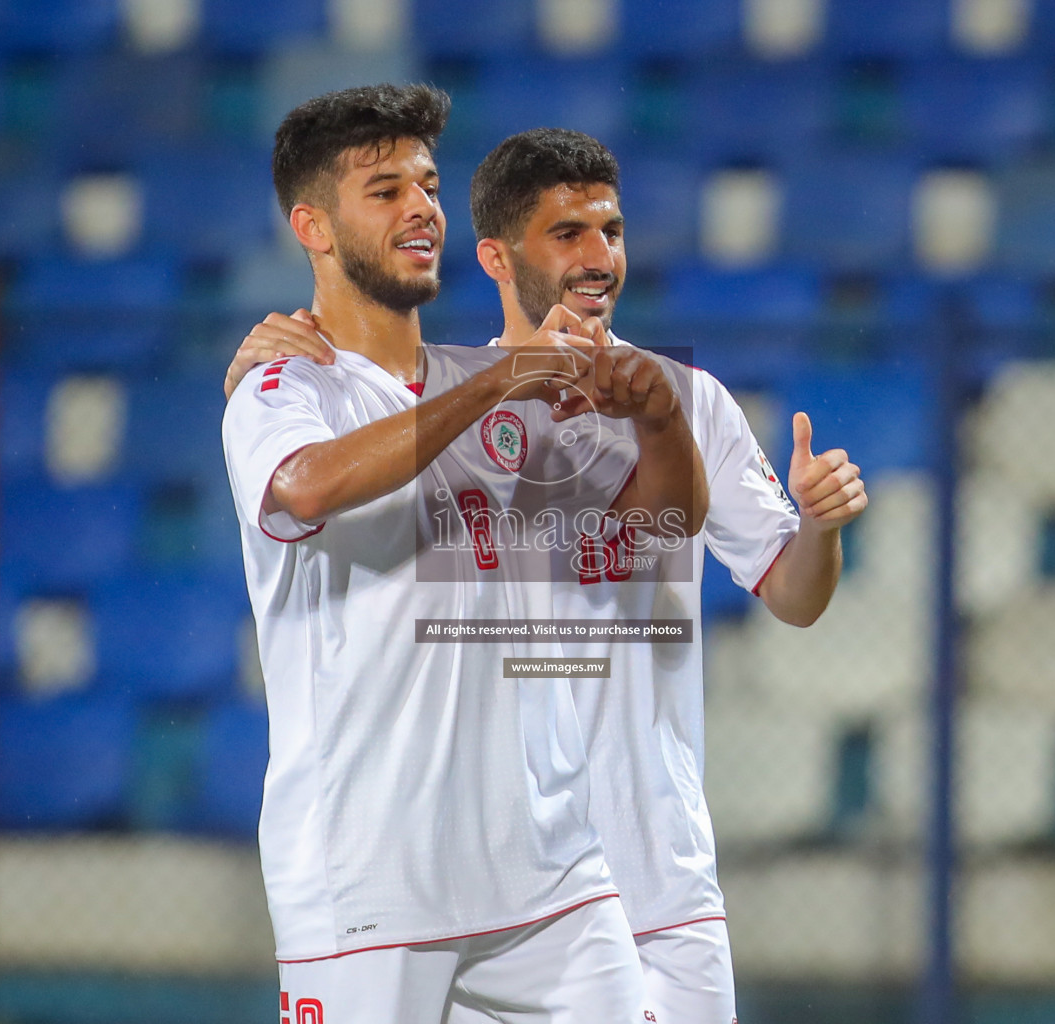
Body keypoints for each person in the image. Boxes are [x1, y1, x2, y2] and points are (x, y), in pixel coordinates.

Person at [226, 127, 867, 1022]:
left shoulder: (689, 399)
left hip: (652, 868)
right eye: (569, 234)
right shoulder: (460, 404)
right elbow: (326, 458)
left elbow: (789, 595)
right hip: (502, 873)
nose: (600, 257)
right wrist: (271, 370)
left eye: (611, 231)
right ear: (495, 255)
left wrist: (822, 529)